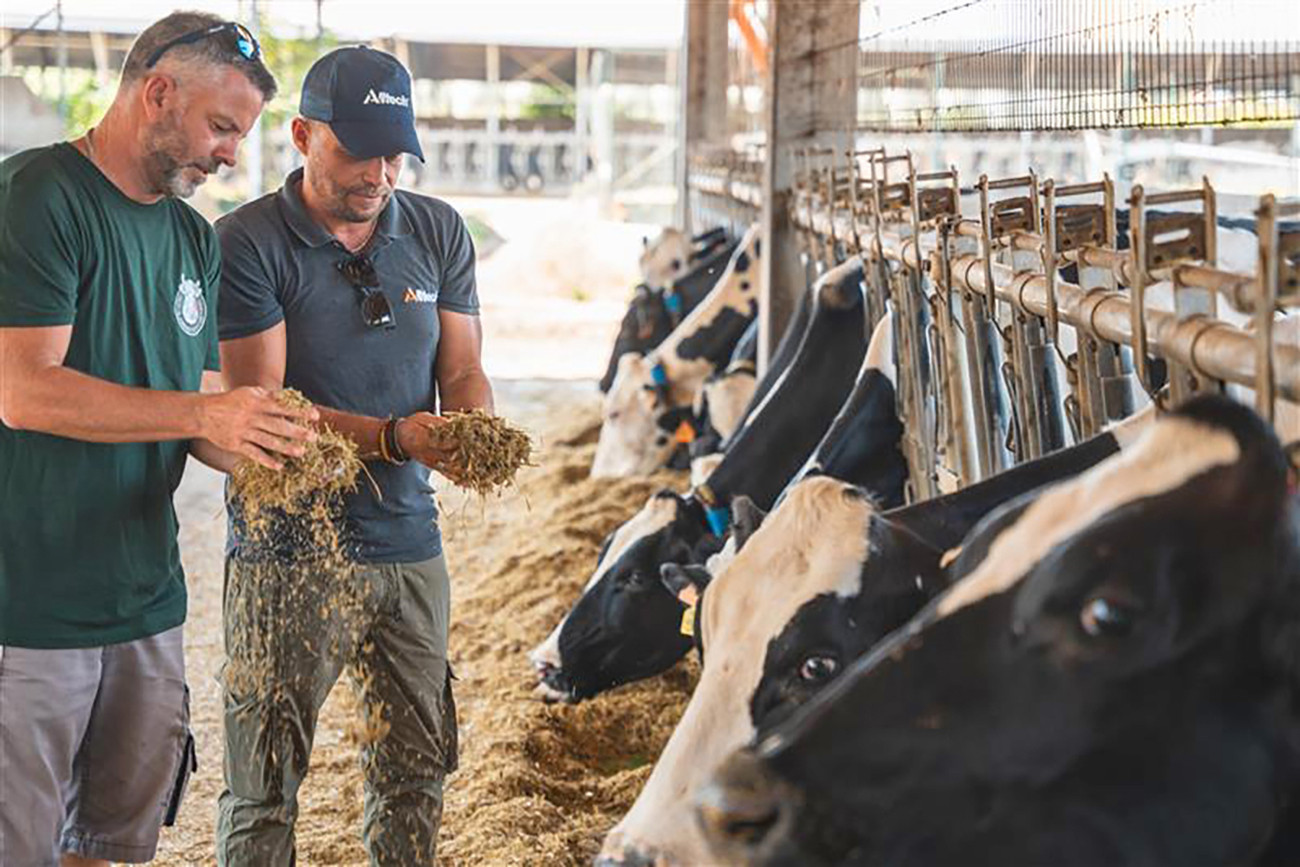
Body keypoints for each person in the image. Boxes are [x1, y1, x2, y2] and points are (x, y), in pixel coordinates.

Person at [0, 12, 317, 867]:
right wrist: (205, 416)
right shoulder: (38, 196)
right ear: (159, 93)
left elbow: (197, 401)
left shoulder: (190, 238)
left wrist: (261, 439)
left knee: (109, 844)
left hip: (146, 598)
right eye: (221, 127)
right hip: (31, 601)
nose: (230, 156)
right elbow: (23, 391)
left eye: (239, 135)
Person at [213, 45, 492, 866]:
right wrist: (397, 438)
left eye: (394, 153)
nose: (379, 173)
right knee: (265, 786)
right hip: (289, 550)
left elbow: (463, 368)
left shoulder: (436, 229)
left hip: (410, 543)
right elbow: (265, 408)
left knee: (417, 767)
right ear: (303, 135)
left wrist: (474, 432)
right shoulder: (248, 242)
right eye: (358, 150)